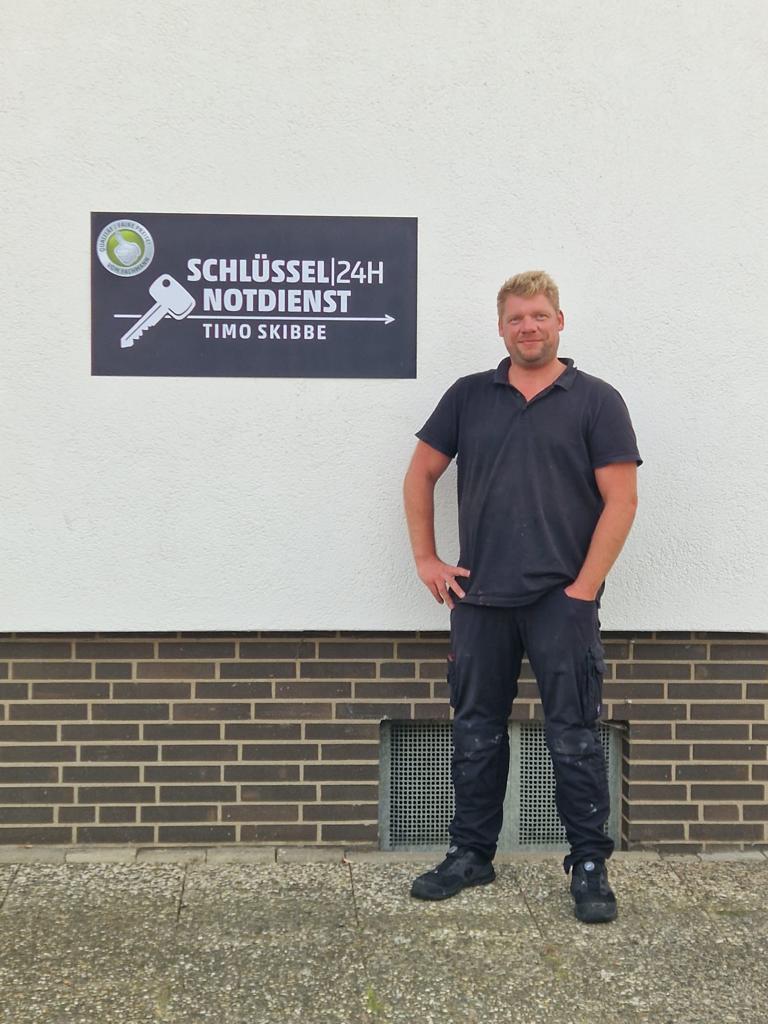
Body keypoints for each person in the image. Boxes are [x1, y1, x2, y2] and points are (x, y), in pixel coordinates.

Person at [402, 270, 641, 924]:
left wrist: (584, 587)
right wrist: (426, 559)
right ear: (501, 327)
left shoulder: (596, 401)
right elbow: (420, 473)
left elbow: (622, 500)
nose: (527, 327)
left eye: (538, 316)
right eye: (516, 318)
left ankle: (588, 865)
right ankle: (471, 854)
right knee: (476, 732)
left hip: (562, 599)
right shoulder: (469, 396)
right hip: (480, 598)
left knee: (573, 735)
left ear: (559, 321)